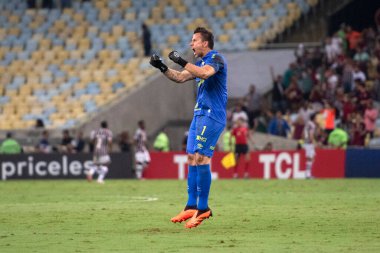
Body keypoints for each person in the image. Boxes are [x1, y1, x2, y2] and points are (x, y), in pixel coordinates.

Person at [150, 27, 227, 228]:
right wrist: (162, 67)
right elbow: (180, 77)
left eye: (194, 40)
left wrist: (182, 61)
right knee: (192, 157)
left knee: (202, 157)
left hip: (213, 114)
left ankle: (203, 208)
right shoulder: (199, 62)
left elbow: (204, 74)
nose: (191, 44)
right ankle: (191, 205)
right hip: (199, 114)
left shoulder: (216, 59)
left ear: (204, 42)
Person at [303, 113, 318, 179]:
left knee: (312, 157)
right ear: (314, 118)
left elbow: (303, 133)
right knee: (310, 158)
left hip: (306, 141)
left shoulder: (307, 123)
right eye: (316, 118)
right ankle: (308, 174)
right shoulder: (312, 125)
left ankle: (308, 174)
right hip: (309, 142)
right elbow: (311, 134)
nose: (316, 119)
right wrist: (313, 142)